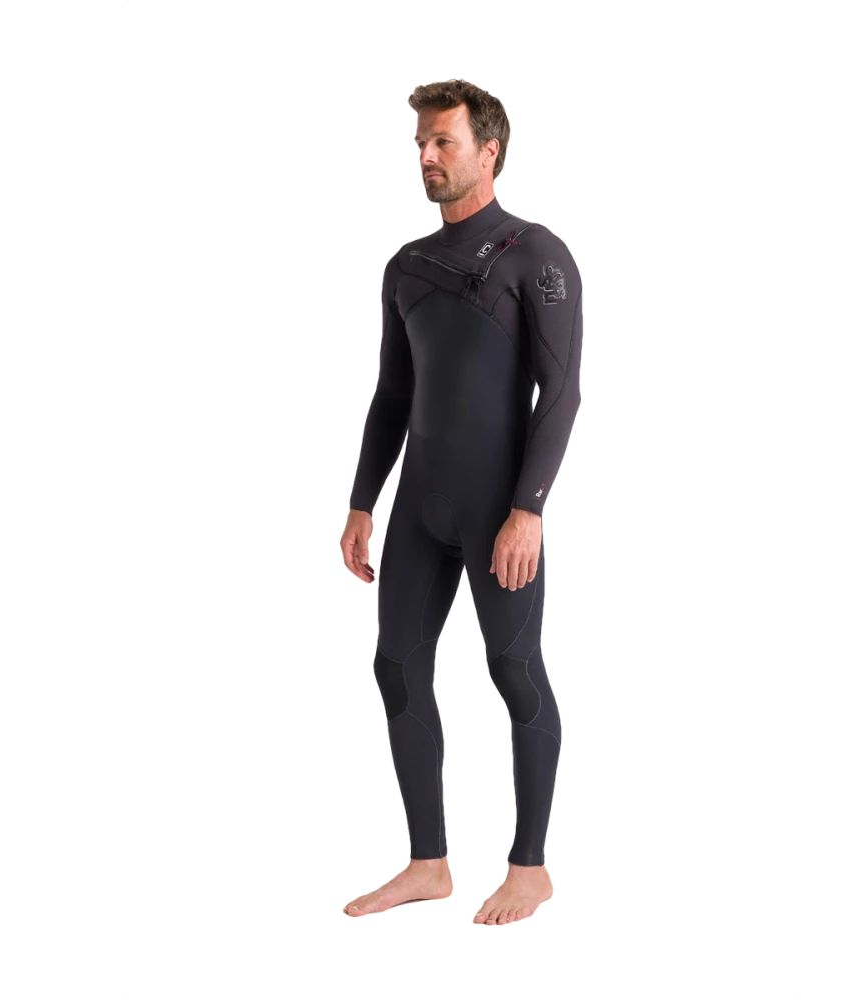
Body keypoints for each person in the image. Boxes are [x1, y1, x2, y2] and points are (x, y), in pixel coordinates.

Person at [339, 80, 583, 925]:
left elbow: (560, 393)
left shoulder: (535, 254)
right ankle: (429, 864)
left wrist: (530, 507)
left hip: (497, 507)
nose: (427, 156)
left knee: (515, 671)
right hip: (420, 504)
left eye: (443, 141)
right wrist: (362, 502)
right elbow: (392, 395)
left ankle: (530, 870)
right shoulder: (405, 266)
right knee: (398, 669)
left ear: (489, 150)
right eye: (422, 142)